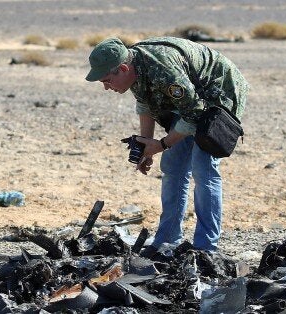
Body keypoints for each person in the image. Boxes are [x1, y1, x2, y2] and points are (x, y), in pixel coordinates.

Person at [85, 37, 249, 252]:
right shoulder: (135, 67)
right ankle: (167, 239)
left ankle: (205, 247)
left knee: (203, 169)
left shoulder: (163, 68)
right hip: (190, 98)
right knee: (173, 167)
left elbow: (193, 113)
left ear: (123, 68)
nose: (106, 87)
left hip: (219, 93)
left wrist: (162, 144)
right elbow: (145, 103)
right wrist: (147, 148)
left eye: (106, 80)